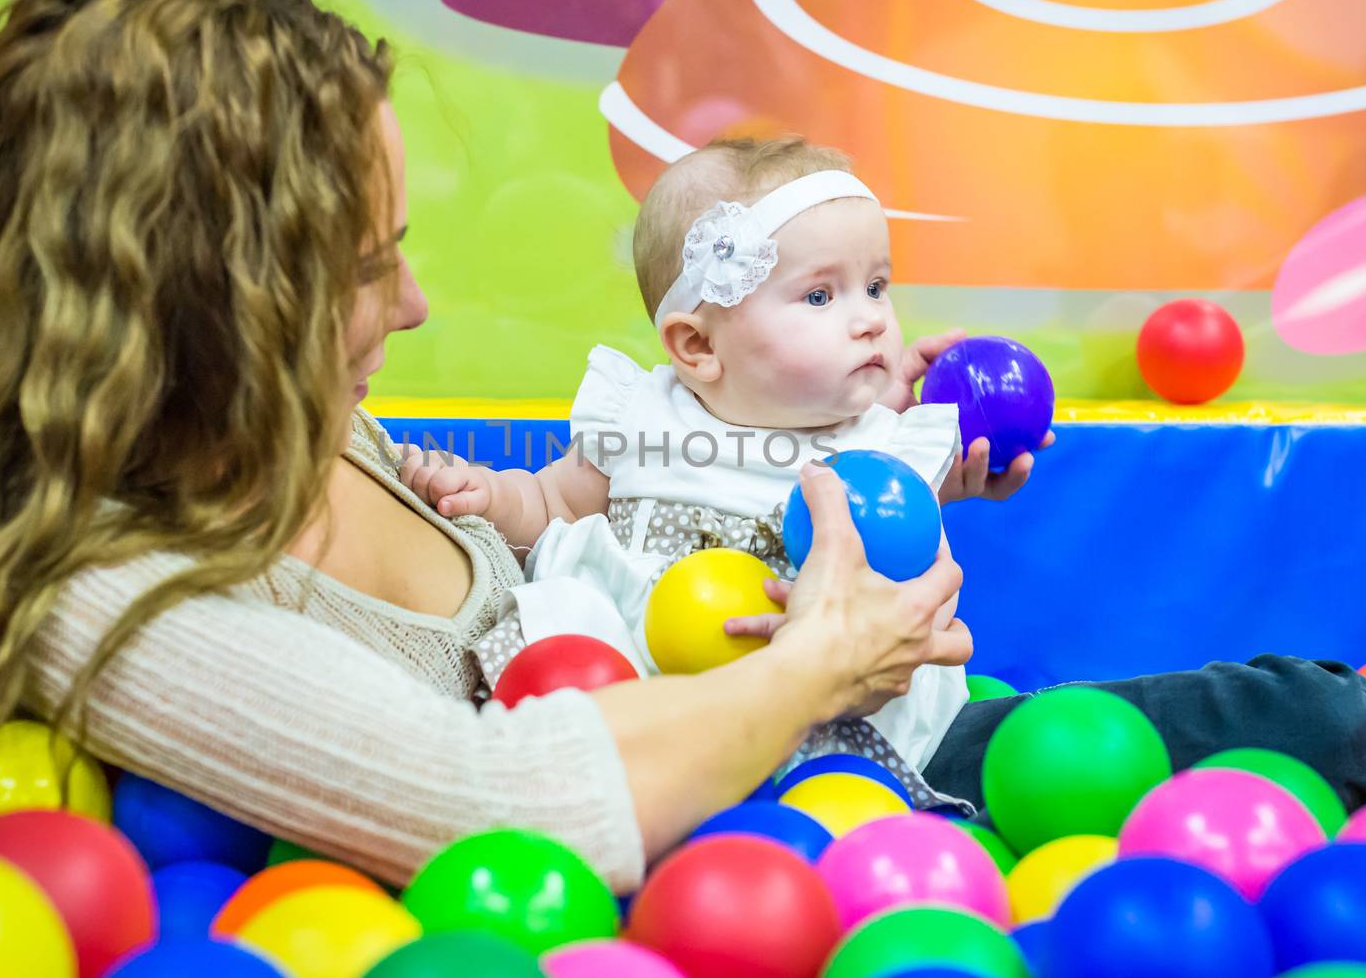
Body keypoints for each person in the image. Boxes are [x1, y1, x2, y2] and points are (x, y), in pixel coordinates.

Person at [0, 0, 970, 891]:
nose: (416, 307)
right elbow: (500, 808)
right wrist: (822, 663)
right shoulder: (94, 586)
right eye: (367, 268)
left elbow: (606, 525)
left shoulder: (296, 422)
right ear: (200, 307)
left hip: (793, 804)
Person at [398, 137, 1047, 794]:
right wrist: (490, 496)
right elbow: (554, 504)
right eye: (821, 296)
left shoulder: (890, 449)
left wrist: (943, 481)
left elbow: (910, 577)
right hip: (641, 705)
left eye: (876, 286)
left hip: (819, 717)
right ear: (699, 345)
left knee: (834, 797)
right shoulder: (640, 416)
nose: (870, 321)